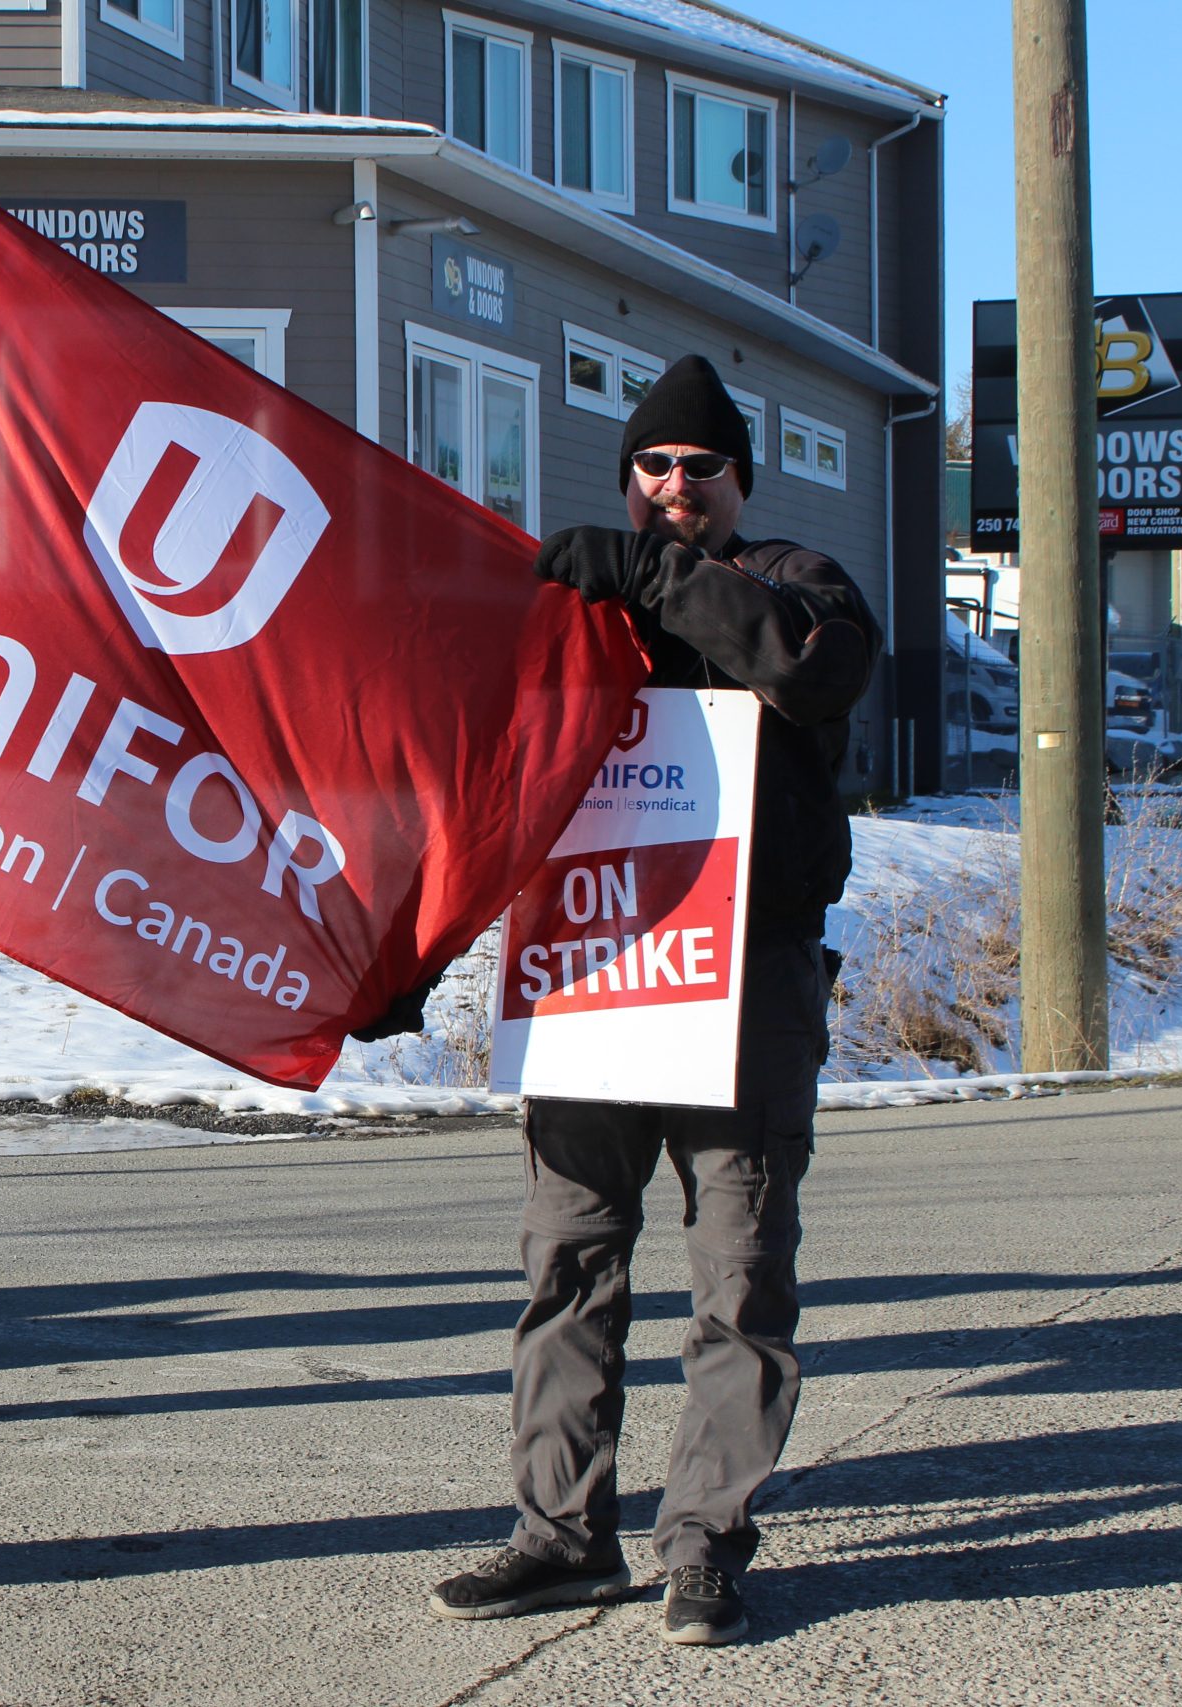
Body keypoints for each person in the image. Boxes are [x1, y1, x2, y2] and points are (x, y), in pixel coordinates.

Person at [427, 355, 878, 1647]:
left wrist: (656, 579)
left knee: (738, 1273)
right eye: (653, 467)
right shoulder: (574, 599)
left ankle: (704, 1549)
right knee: (567, 1258)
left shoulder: (801, 582)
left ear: (740, 481)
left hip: (745, 983)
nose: (676, 487)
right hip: (593, 972)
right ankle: (560, 1534)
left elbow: (807, 671)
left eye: (700, 468)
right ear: (628, 476)